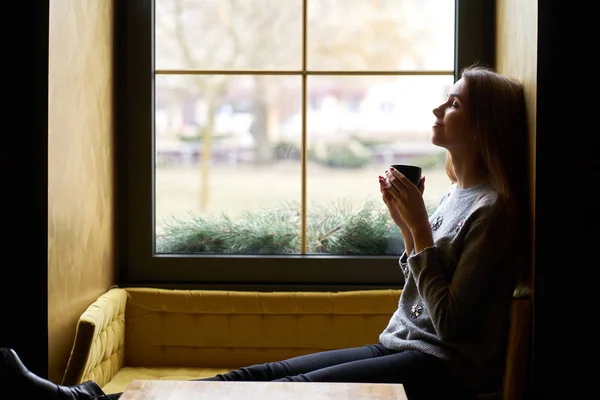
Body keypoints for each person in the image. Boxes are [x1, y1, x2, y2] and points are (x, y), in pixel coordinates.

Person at [0, 64, 531, 400]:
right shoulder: (456, 191)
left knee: (287, 391)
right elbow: (422, 293)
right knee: (254, 376)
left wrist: (416, 232)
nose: (439, 107)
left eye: (455, 102)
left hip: (443, 370)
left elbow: (454, 325)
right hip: (401, 344)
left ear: (483, 125)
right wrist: (410, 227)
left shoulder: (493, 210)